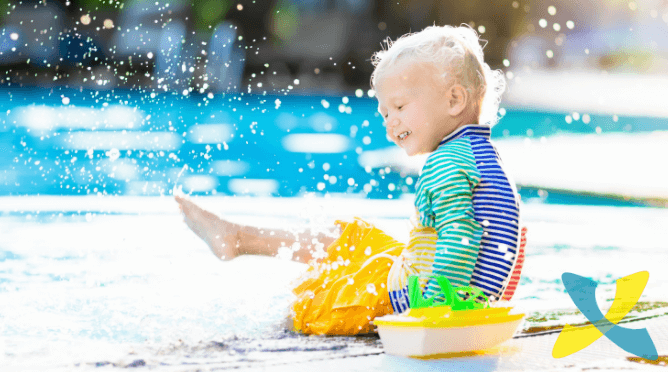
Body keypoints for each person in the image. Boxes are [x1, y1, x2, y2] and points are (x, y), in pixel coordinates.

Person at [175, 25, 526, 336]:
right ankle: (237, 237)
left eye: (400, 107)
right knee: (351, 240)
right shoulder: (485, 158)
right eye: (385, 112)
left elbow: (461, 237)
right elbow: (511, 241)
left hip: (414, 300)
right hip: (433, 286)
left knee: (319, 302)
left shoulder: (446, 164)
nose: (390, 122)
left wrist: (430, 318)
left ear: (454, 100)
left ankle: (264, 326)